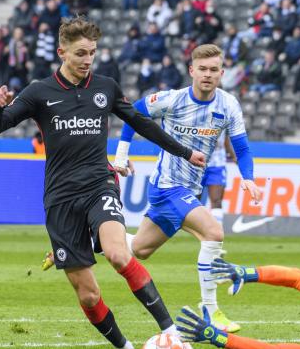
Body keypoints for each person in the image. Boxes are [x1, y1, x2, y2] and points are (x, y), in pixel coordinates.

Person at [0, 16, 206, 349]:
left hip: (99, 183)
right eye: (81, 53)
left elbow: (141, 123)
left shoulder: (105, 87)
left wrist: (183, 151)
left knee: (120, 254)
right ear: (62, 52)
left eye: (92, 53)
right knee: (88, 294)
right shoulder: (40, 92)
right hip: (60, 198)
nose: (88, 60)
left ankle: (172, 333)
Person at [112, 44, 262, 333]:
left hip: (189, 190)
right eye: (202, 69)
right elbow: (131, 114)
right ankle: (210, 310)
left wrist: (249, 177)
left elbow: (242, 148)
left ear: (222, 72)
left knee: (139, 249)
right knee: (214, 232)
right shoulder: (173, 100)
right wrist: (121, 154)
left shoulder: (228, 105)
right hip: (167, 186)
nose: (207, 75)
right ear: (192, 70)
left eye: (213, 70)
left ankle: (94, 237)